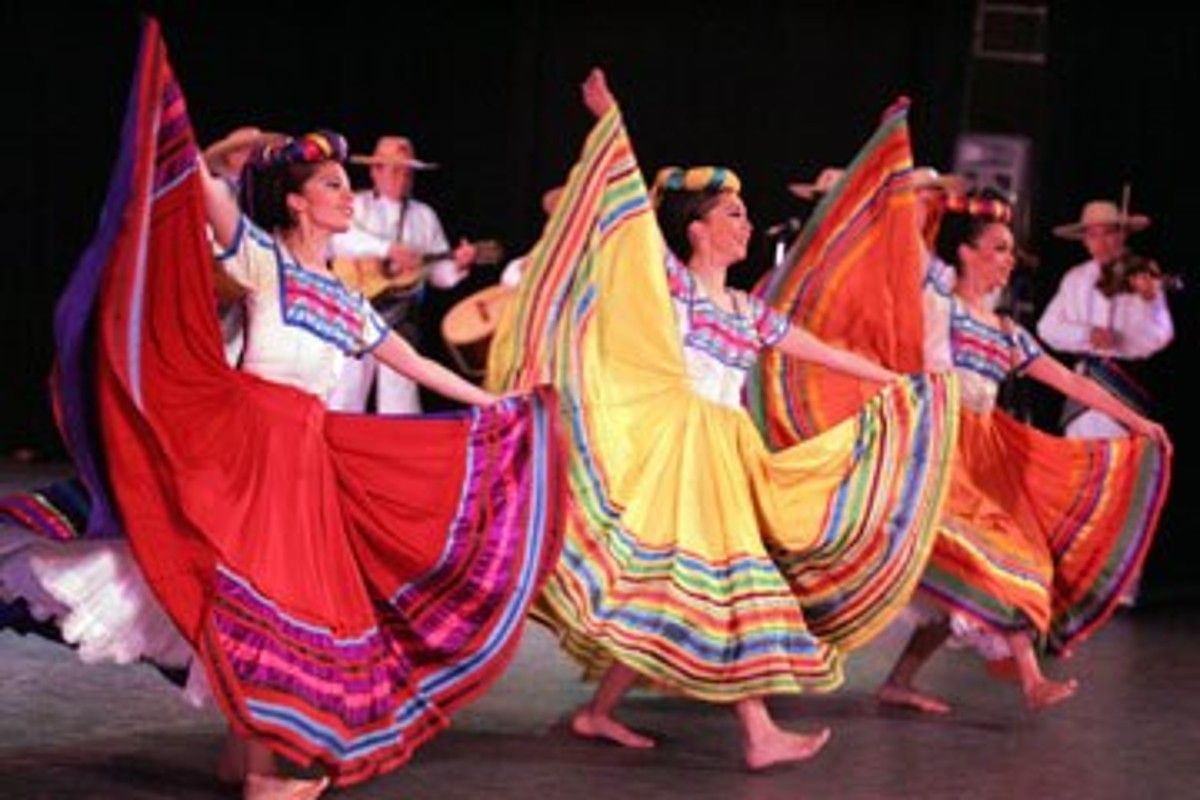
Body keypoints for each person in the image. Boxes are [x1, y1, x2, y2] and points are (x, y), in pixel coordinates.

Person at [50, 21, 565, 799]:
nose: (343, 192)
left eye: (343, 186)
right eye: (329, 185)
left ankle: (243, 753)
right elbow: (196, 185)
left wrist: (495, 401)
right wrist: (226, 148)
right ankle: (262, 779)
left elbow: (416, 360)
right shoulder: (261, 257)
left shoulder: (346, 300)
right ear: (296, 203)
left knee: (274, 599)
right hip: (250, 440)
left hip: (304, 451)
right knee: (263, 592)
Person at [488, 69, 959, 769]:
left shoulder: (746, 311)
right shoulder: (670, 286)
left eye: (742, 213)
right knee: (736, 582)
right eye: (733, 214)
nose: (745, 223)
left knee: (670, 586)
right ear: (699, 227)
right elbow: (624, 215)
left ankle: (597, 712)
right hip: (677, 446)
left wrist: (898, 382)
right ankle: (759, 732)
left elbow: (818, 350)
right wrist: (610, 122)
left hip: (723, 449)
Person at [876, 189, 1171, 714]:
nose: (1009, 259)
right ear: (965, 253)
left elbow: (1067, 381)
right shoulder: (939, 308)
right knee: (1003, 560)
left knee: (976, 576)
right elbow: (908, 282)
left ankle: (900, 679)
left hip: (985, 453)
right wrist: (916, 198)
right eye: (998, 247)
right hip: (940, 448)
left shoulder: (1009, 333)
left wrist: (1134, 420)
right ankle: (1032, 680)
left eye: (1011, 250)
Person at [328, 135, 477, 413]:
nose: (402, 178)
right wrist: (386, 249)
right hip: (354, 311)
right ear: (375, 171)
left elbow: (437, 275)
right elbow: (336, 240)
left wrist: (458, 263)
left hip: (400, 318)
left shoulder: (424, 216)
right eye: (395, 170)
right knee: (345, 392)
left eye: (407, 172)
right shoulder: (355, 205)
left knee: (400, 398)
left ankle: (396, 453)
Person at [1038, 200, 1174, 438]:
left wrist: (1150, 301)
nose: (1101, 243)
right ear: (1085, 240)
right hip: (1083, 390)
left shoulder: (1141, 274)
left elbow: (1161, 336)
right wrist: (1086, 334)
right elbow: (1046, 328)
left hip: (1126, 386)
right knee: (1079, 464)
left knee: (1123, 464)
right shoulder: (1075, 278)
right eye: (1093, 235)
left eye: (1109, 233)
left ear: (1122, 235)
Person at [203, 126, 287, 367]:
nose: (257, 157)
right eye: (249, 151)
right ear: (232, 156)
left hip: (251, 282)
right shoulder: (217, 189)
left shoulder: (260, 195)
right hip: (220, 279)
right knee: (219, 350)